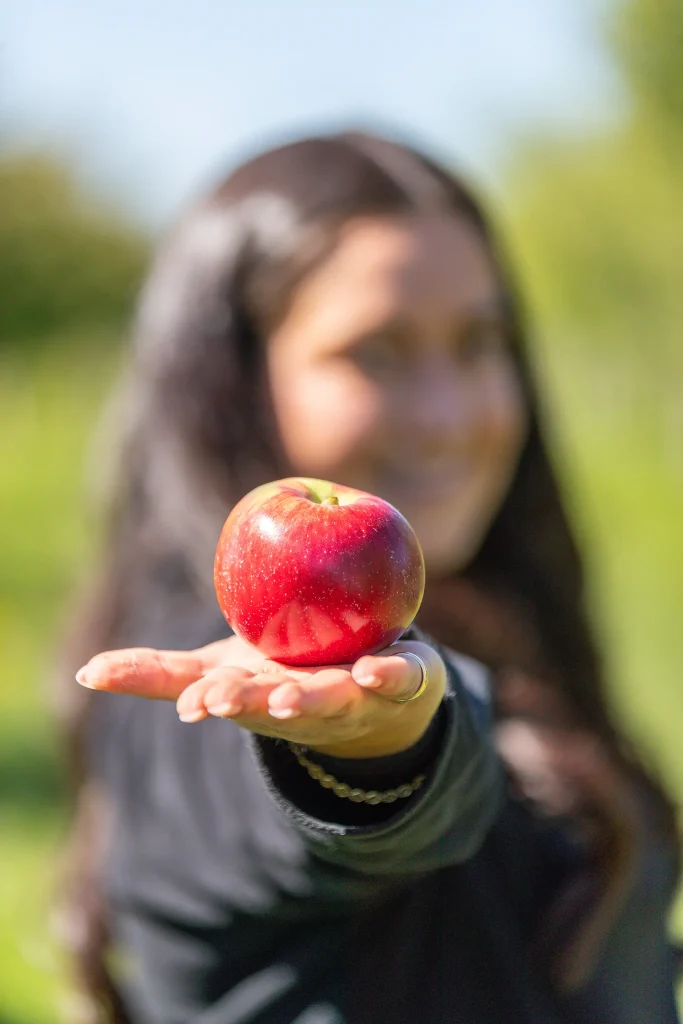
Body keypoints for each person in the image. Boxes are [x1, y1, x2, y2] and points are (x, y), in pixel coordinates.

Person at [57, 131, 680, 1024]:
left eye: (477, 342)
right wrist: (368, 753)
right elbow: (265, 782)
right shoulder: (198, 678)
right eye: (374, 353)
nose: (445, 413)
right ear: (235, 384)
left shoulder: (507, 626)